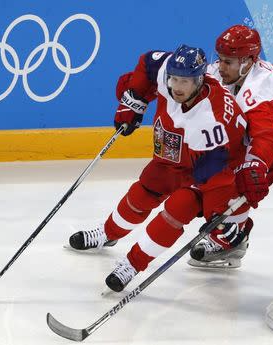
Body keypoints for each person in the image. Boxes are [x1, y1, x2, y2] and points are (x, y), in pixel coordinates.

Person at [68, 44, 251, 292]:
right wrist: (134, 97)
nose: (176, 87)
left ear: (200, 80)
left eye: (184, 82)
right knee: (141, 194)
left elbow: (217, 173)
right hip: (173, 157)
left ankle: (132, 264)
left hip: (212, 170)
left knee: (175, 212)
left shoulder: (210, 119)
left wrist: (217, 213)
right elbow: (148, 63)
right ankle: (107, 233)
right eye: (174, 79)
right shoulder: (171, 74)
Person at [188, 24, 273, 268]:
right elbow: (185, 81)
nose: (221, 66)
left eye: (228, 61)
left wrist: (256, 163)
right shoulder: (223, 72)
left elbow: (266, 135)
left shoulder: (259, 89)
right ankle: (232, 243)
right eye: (220, 59)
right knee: (235, 183)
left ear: (248, 62)